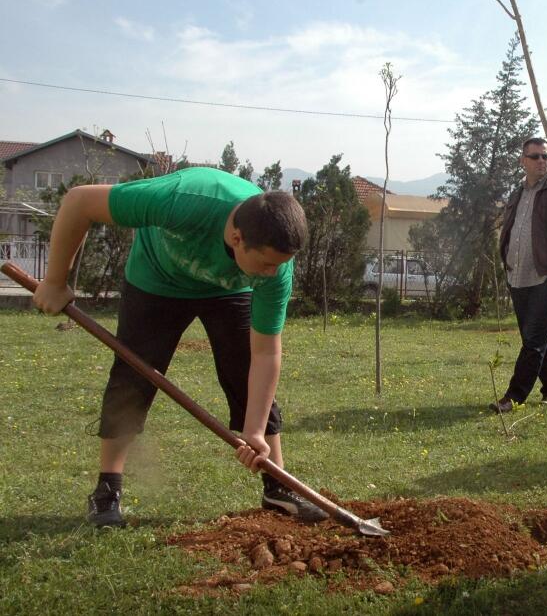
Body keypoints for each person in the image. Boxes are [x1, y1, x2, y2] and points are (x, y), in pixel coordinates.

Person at [33, 167, 328, 527]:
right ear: (237, 237)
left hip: (228, 288)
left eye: (278, 265)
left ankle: (277, 486)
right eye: (266, 264)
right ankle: (107, 490)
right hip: (157, 280)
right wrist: (54, 281)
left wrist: (252, 431)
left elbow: (265, 353)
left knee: (243, 367)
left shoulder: (274, 267)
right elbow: (80, 201)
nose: (272, 273)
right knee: (133, 376)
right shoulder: (182, 200)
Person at [491, 137, 547, 413]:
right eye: (535, 157)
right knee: (535, 340)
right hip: (517, 277)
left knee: (533, 341)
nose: (542, 161)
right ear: (523, 161)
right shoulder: (517, 193)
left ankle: (513, 397)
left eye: (546, 157)